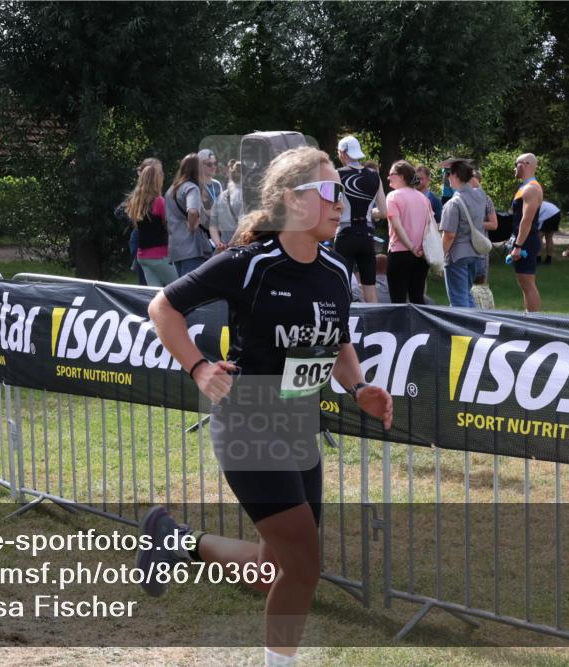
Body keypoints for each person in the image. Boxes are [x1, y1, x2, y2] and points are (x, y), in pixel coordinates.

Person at [142, 146, 393, 667]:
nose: (341, 204)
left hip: (300, 425)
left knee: (272, 569)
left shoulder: (334, 271)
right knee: (304, 564)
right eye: (329, 193)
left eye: (342, 194)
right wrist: (199, 366)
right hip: (248, 423)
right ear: (292, 201)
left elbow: (338, 342)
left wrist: (359, 386)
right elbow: (162, 306)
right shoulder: (250, 262)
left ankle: (176, 540)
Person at [439, 158, 497, 308]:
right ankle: (473, 329)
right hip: (475, 254)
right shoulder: (480, 196)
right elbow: (476, 185)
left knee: (459, 302)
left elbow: (449, 235)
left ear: (456, 176)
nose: (447, 177)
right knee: (467, 298)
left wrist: (440, 258)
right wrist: (465, 168)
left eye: (449, 173)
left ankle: (462, 332)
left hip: (457, 256)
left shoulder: (453, 203)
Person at [335, 135, 386, 303]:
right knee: (370, 290)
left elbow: (331, 206)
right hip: (367, 236)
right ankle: (376, 327)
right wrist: (369, 213)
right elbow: (384, 212)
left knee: (341, 287)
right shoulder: (374, 176)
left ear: (342, 153)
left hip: (345, 235)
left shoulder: (337, 175)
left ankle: (343, 327)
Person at [121, 164, 178, 287]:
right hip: (159, 255)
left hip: (143, 256)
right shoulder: (159, 202)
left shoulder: (136, 201)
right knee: (179, 289)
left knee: (155, 294)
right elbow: (171, 226)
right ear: (156, 180)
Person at [385, 160, 433, 304]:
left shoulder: (393, 196)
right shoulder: (423, 198)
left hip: (400, 253)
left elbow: (397, 227)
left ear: (401, 176)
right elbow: (429, 227)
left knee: (398, 300)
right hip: (421, 255)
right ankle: (420, 327)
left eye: (391, 174)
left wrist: (411, 247)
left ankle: (400, 327)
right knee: (418, 299)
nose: (388, 177)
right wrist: (419, 249)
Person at [166, 153, 213, 277]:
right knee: (192, 289)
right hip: (191, 248)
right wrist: (192, 226)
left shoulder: (171, 189)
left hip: (176, 247)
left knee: (182, 289)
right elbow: (192, 211)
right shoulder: (192, 188)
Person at [509, 152, 543, 312]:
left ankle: (534, 321)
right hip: (524, 240)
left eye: (516, 164)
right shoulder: (525, 188)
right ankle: (529, 316)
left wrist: (518, 245)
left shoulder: (531, 189)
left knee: (527, 282)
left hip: (527, 241)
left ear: (525, 164)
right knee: (523, 282)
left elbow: (526, 220)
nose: (515, 168)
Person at [210, 159, 243, 250]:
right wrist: (230, 245)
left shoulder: (220, 198)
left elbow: (212, 226)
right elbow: (242, 227)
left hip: (224, 250)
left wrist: (219, 244)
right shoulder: (245, 198)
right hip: (241, 248)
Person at [537, 200, 561, 265]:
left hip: (548, 215)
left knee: (538, 237)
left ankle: (538, 258)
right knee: (549, 237)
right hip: (556, 212)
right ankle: (548, 259)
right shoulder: (536, 200)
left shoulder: (529, 204)